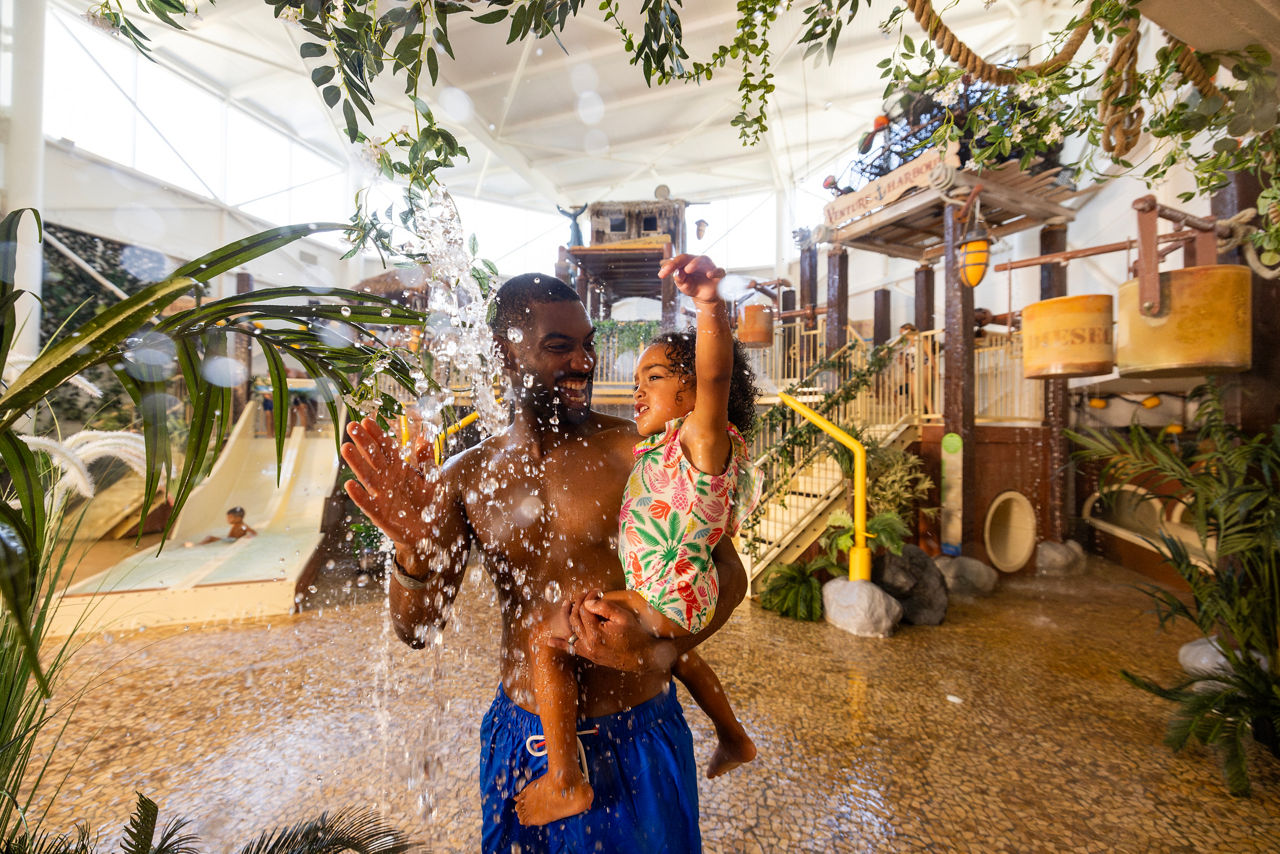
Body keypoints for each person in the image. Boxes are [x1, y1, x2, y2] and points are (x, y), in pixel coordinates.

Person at [340, 269, 749, 854]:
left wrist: (663, 645)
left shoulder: (637, 454)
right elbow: (417, 629)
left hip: (636, 733)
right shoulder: (468, 479)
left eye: (587, 345)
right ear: (506, 354)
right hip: (521, 735)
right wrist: (412, 551)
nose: (584, 362)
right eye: (560, 347)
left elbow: (727, 577)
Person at [514, 256, 759, 827]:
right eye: (637, 378)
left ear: (695, 392)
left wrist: (708, 306)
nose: (637, 388)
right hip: (675, 596)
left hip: (666, 599)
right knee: (683, 658)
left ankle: (566, 779)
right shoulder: (660, 451)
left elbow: (717, 375)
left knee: (546, 640)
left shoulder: (701, 439)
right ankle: (733, 736)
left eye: (656, 378)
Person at [191, 506, 256, 546]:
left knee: (210, 538)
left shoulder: (242, 526)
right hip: (230, 539)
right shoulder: (237, 525)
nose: (228, 520)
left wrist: (249, 536)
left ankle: (198, 546)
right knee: (212, 538)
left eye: (230, 518)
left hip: (233, 540)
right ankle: (199, 544)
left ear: (238, 518)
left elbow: (252, 532)